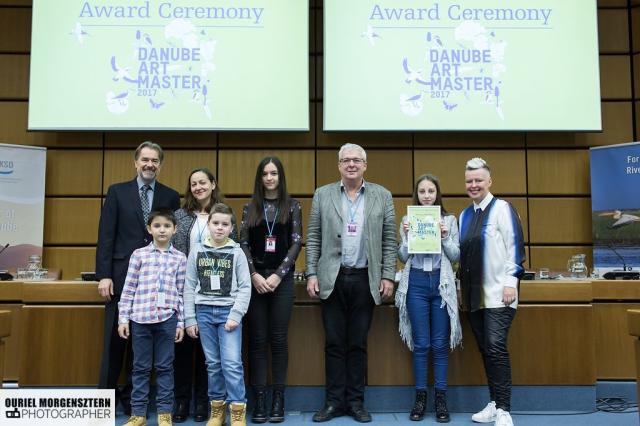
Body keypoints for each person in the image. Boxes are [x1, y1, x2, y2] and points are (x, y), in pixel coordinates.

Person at [306, 143, 396, 423]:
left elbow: (390, 239)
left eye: (357, 160)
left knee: (357, 343)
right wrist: (311, 274)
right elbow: (314, 236)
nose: (351, 164)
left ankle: (356, 402)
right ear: (339, 165)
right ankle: (333, 403)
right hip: (331, 278)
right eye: (346, 160)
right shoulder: (323, 194)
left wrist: (388, 275)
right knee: (333, 344)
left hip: (365, 279)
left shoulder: (382, 195)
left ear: (365, 165)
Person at [96, 141, 180, 415]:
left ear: (160, 164)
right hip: (122, 280)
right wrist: (104, 275)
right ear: (135, 162)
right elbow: (106, 235)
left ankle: (135, 403)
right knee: (115, 343)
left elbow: (171, 236)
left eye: (155, 160)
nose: (149, 164)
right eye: (145, 159)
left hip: (156, 285)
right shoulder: (117, 192)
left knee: (140, 349)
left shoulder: (170, 196)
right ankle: (105, 402)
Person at [458, 158, 525, 426]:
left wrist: (511, 282)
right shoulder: (464, 215)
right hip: (474, 297)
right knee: (486, 349)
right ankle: (494, 403)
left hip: (500, 293)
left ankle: (505, 410)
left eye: (478, 180)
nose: (473, 185)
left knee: (496, 348)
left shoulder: (503, 209)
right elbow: (462, 258)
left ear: (489, 182)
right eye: (469, 181)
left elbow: (515, 246)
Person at [239, 157, 303, 423]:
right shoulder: (249, 207)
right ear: (259, 177)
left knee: (278, 340)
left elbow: (297, 243)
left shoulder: (293, 205)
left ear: (280, 176)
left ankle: (279, 398)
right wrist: (253, 274)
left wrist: (278, 275)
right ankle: (260, 400)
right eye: (265, 173)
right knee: (256, 341)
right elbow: (242, 243)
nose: (269, 178)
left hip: (282, 280)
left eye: (274, 173)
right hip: (254, 281)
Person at [171, 168, 237, 423]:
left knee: (210, 355)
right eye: (194, 183)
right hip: (188, 289)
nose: (198, 187)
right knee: (185, 348)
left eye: (203, 182)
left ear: (213, 184)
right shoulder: (180, 215)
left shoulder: (224, 214)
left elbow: (235, 249)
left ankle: (203, 401)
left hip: (217, 295)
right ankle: (182, 400)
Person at [396, 174, 462, 423]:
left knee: (440, 344)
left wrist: (444, 236)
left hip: (441, 283)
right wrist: (407, 236)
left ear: (437, 194)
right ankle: (420, 397)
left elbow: (456, 255)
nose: (426, 196)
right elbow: (402, 256)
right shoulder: (407, 219)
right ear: (417, 194)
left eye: (431, 191)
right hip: (416, 284)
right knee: (421, 344)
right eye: (422, 191)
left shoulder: (449, 220)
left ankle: (441, 399)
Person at [184, 203, 252, 426]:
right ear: (208, 225)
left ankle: (237, 410)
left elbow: (245, 287)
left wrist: (236, 314)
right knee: (212, 363)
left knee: (231, 363)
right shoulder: (197, 250)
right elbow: (188, 285)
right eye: (215, 223)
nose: (220, 228)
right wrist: (190, 318)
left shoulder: (237, 252)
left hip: (228, 313)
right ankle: (217, 410)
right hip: (203, 313)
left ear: (231, 228)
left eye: (225, 224)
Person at [117, 209, 187, 426]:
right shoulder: (139, 255)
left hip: (168, 319)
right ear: (149, 229)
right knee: (140, 367)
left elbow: (182, 291)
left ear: (175, 229)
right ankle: (138, 414)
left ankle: (165, 413)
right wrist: (123, 319)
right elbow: (128, 288)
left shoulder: (180, 258)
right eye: (157, 225)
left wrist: (181, 322)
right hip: (140, 319)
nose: (162, 229)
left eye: (167, 226)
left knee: (165, 367)